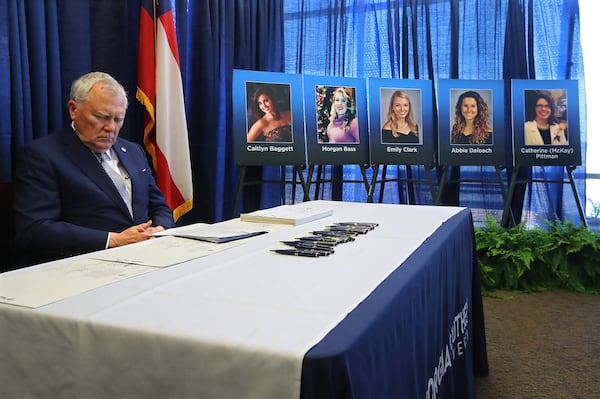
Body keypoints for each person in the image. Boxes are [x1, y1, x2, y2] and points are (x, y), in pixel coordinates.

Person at [13, 71, 175, 260]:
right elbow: (34, 229)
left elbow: (159, 206)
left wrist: (160, 229)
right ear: (74, 110)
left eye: (118, 119)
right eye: (101, 117)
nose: (111, 128)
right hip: (86, 263)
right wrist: (113, 240)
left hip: (148, 255)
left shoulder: (133, 151)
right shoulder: (42, 155)